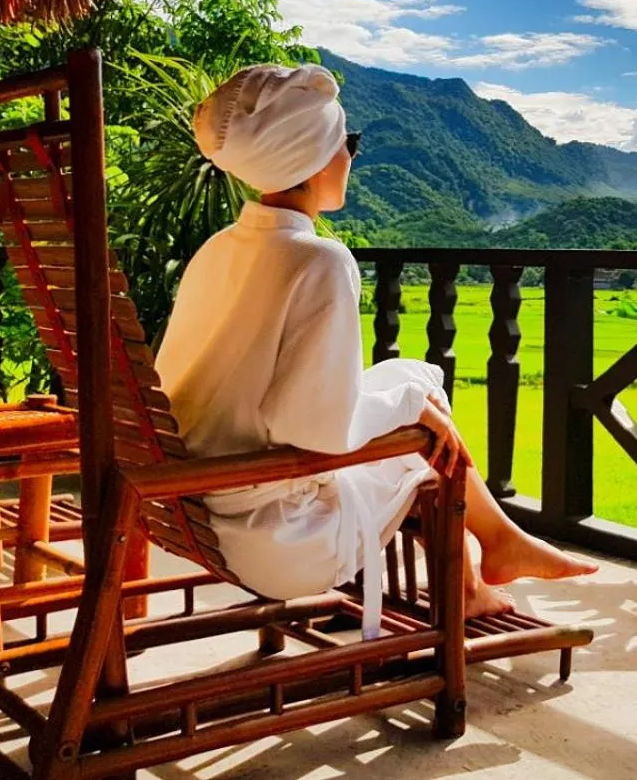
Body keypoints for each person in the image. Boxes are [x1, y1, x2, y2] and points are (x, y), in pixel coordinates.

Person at [156, 63, 594, 632]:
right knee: (421, 424)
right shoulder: (320, 261)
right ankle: (483, 561)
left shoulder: (218, 250)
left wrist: (410, 398)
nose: (352, 157)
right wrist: (411, 408)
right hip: (277, 537)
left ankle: (490, 555)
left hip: (194, 503)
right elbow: (317, 431)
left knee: (415, 379)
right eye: (350, 142)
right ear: (314, 156)